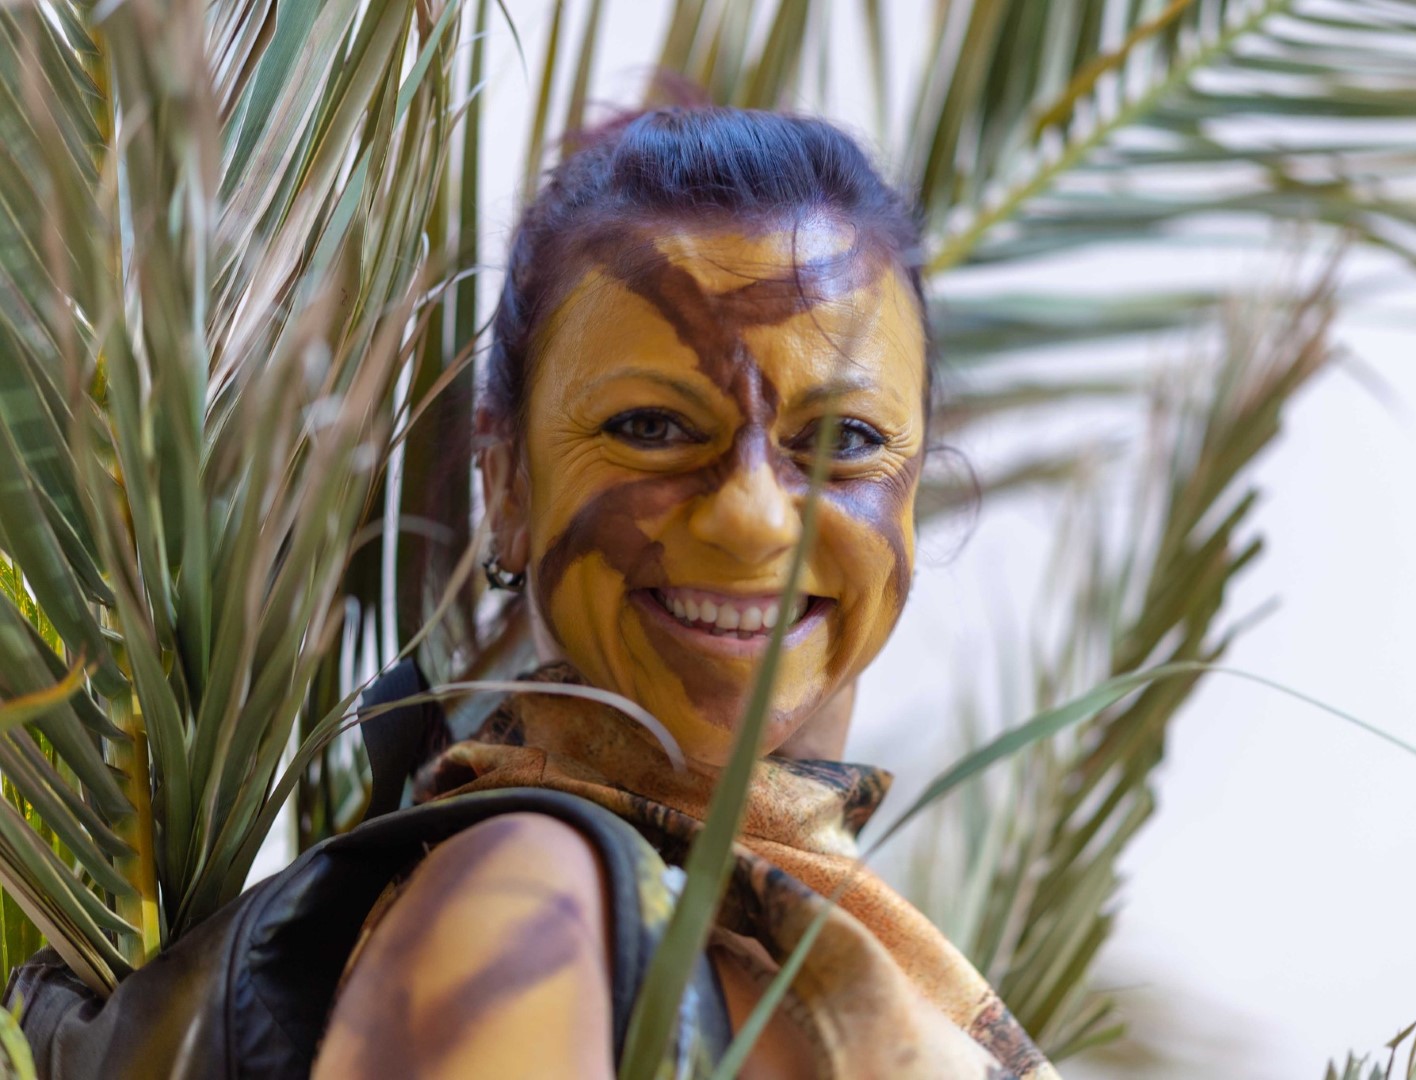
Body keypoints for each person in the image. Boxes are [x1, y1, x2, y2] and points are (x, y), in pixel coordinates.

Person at [7, 106, 1057, 1080]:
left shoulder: (823, 930)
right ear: (507, 486)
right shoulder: (519, 907)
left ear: (917, 484)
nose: (752, 517)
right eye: (650, 426)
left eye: (843, 439)